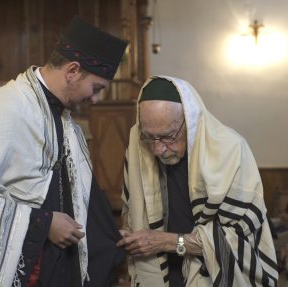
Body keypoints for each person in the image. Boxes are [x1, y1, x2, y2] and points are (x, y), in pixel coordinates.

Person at [0, 16, 127, 287]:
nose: (95, 99)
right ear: (73, 70)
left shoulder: (65, 119)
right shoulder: (6, 107)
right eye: (96, 88)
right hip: (26, 267)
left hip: (57, 266)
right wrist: (43, 223)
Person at [117, 76, 279, 286]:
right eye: (149, 137)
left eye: (168, 136)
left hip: (212, 276)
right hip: (160, 271)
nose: (158, 149)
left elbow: (240, 241)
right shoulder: (139, 150)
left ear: (191, 120)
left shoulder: (230, 152)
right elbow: (131, 213)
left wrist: (167, 242)